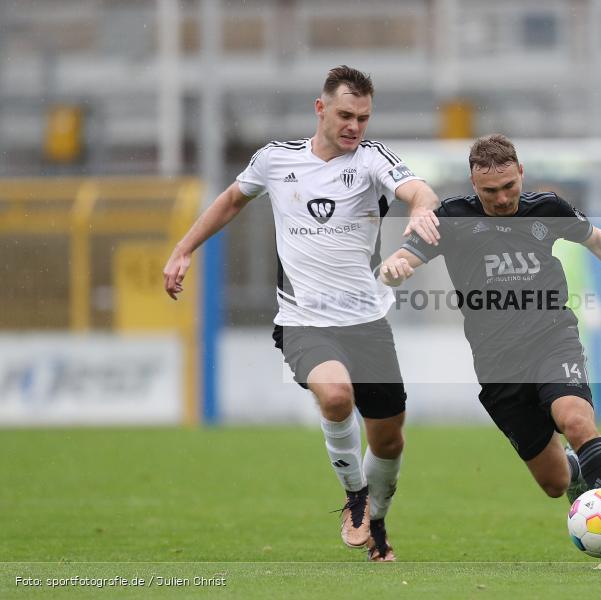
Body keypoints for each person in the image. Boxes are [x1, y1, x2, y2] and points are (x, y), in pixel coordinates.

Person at [163, 65, 441, 562]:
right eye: (345, 115)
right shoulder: (275, 160)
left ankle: (376, 522)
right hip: (303, 322)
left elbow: (418, 189)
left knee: (390, 440)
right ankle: (354, 498)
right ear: (320, 109)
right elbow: (230, 201)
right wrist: (184, 248)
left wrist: (421, 208)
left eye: (363, 117)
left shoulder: (372, 160)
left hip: (366, 322)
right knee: (335, 397)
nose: (355, 126)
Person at [377, 134, 601, 568]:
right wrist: (394, 270)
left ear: (521, 173)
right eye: (490, 191)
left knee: (575, 419)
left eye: (509, 186)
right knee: (554, 481)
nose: (502, 198)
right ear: (473, 183)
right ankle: (579, 475)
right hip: (498, 366)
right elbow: (407, 258)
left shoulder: (548, 209)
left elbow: (598, 241)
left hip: (551, 337)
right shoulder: (451, 217)